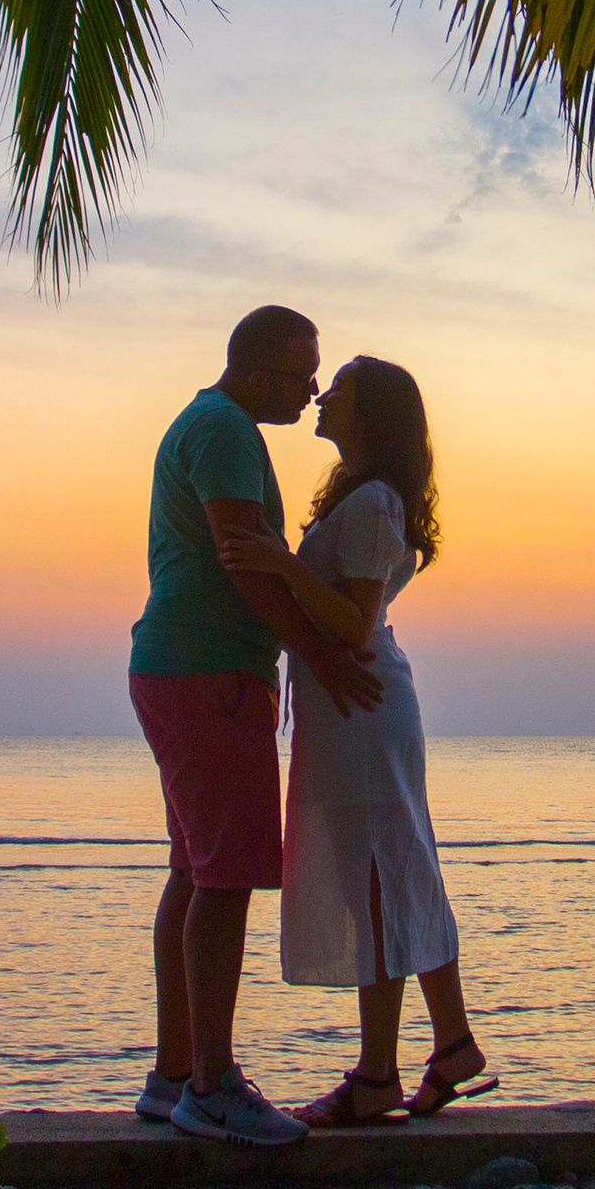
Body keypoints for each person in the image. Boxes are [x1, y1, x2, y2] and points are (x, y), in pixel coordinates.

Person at [214, 356, 495, 1126]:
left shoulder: (373, 502)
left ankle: (378, 1078)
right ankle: (451, 1044)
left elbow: (353, 622)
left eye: (337, 385)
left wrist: (275, 560)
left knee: (379, 874)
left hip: (361, 700)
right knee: (397, 865)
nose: (321, 394)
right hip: (350, 699)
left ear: (368, 411)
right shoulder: (359, 496)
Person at [128, 306, 383, 1147]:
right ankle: (212, 1086)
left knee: (195, 873)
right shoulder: (227, 431)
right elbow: (243, 556)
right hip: (209, 673)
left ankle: (174, 1075)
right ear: (260, 367)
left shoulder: (211, 424)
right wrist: (322, 652)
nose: (311, 389)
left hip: (184, 669)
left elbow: (244, 555)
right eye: (303, 372)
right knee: (226, 878)